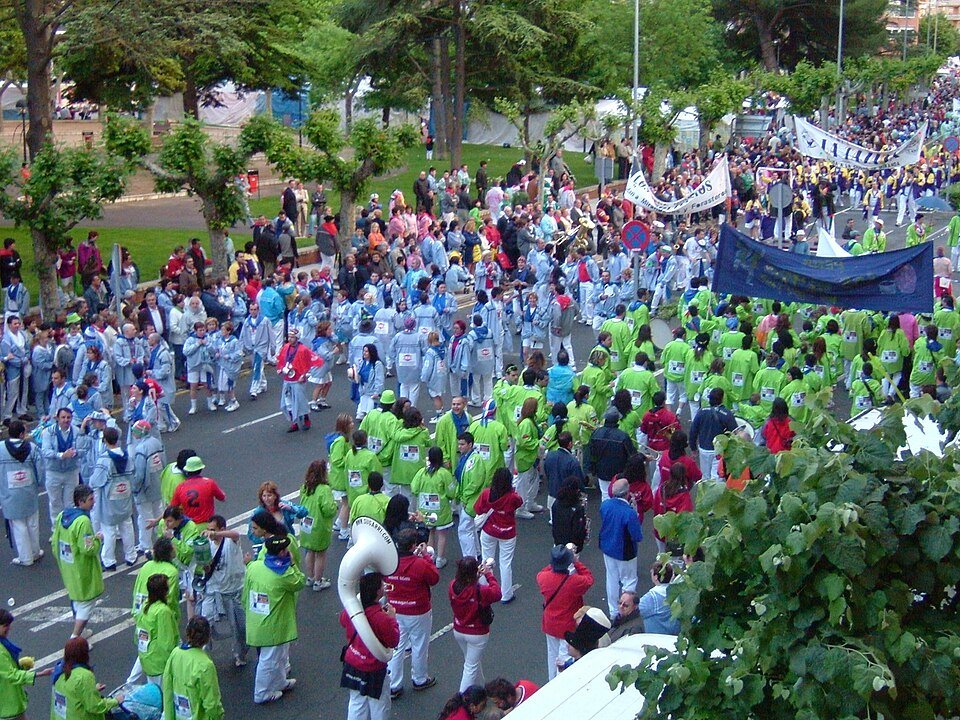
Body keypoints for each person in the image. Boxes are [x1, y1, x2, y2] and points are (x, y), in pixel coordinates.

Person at [243, 534, 306, 704]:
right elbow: (300, 582)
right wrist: (292, 564)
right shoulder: (285, 574)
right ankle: (262, 693)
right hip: (275, 624)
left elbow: (245, 593)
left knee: (279, 655)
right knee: (269, 660)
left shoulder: (254, 567)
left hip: (257, 619)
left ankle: (280, 682)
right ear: (282, 552)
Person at [386, 528, 440, 698]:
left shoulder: (389, 562)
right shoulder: (420, 564)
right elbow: (434, 578)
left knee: (397, 647)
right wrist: (427, 556)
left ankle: (393, 684)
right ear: (413, 546)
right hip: (418, 610)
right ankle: (419, 679)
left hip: (395, 610)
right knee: (419, 646)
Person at [339, 572, 400, 720]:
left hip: (353, 662)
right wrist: (392, 619)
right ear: (377, 592)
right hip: (373, 668)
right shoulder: (381, 618)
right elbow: (393, 641)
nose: (384, 586)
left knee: (356, 703)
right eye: (382, 584)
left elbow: (343, 620)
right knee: (379, 705)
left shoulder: (354, 609)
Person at [52, 485, 103, 640]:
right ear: (81, 502)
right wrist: (98, 540)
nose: (93, 502)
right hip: (82, 568)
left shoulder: (62, 515)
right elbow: (88, 549)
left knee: (75, 599)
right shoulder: (83, 522)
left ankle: (82, 632)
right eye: (90, 499)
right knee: (86, 603)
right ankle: (75, 637)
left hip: (68, 565)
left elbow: (55, 542)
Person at [198, 515, 248, 668]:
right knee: (204, 623)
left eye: (213, 529)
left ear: (222, 529)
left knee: (240, 628)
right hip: (213, 591)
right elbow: (207, 568)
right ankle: (202, 656)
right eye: (208, 529)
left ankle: (240, 654)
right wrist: (206, 566)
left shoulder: (230, 542)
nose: (210, 533)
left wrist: (216, 534)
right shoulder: (207, 545)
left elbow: (236, 534)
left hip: (233, 591)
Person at [537, 545, 594, 681]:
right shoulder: (574, 582)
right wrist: (576, 562)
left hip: (550, 624)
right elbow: (589, 579)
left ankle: (551, 682)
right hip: (568, 627)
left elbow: (545, 570)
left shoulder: (542, 577)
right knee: (564, 660)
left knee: (552, 657)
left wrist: (555, 561)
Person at [449, 557, 501, 692]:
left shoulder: (452, 586)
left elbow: (467, 587)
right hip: (477, 633)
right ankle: (462, 698)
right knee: (470, 667)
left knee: (471, 661)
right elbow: (497, 593)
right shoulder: (480, 590)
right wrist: (489, 575)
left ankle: (480, 688)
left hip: (459, 630)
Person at [89, 426, 137, 570]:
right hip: (125, 497)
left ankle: (109, 561)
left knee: (109, 531)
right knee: (127, 526)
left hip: (109, 501)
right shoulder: (127, 456)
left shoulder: (104, 459)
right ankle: (131, 555)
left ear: (105, 440)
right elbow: (133, 476)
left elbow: (96, 481)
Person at [473, 468, 523, 605]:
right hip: (507, 533)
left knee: (485, 561)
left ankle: (484, 590)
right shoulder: (512, 497)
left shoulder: (486, 493)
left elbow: (477, 509)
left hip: (489, 531)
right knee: (505, 563)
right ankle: (506, 594)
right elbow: (519, 502)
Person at [162, 616, 225, 720]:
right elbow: (211, 703)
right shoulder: (206, 665)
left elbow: (168, 687)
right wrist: (219, 716)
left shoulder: (175, 653)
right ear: (207, 637)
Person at [598, 478, 644, 619]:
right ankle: (626, 610)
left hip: (607, 548)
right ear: (627, 493)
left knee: (611, 578)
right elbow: (637, 536)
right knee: (629, 581)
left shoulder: (605, 505)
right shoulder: (629, 513)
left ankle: (613, 612)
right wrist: (635, 512)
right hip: (625, 552)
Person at [0, 420, 43, 567]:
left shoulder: (1, 448)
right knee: (33, 523)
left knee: (18, 526)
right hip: (29, 491)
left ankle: (25, 557)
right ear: (22, 434)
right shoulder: (32, 448)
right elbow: (40, 469)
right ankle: (35, 552)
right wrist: (39, 483)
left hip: (9, 493)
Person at [0, 607, 53, 720]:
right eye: (5, 625)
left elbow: (4, 669)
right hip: (7, 702)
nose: (9, 628)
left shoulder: (3, 643)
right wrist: (40, 674)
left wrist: (20, 665)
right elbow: (11, 675)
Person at [50, 637, 122, 718]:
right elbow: (94, 706)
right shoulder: (84, 676)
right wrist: (115, 701)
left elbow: (71, 694)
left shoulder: (59, 672)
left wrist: (92, 690)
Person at [411, 446, 456, 569]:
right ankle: (440, 558)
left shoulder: (422, 472)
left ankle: (430, 556)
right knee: (442, 534)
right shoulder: (444, 473)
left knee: (429, 531)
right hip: (441, 510)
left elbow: (414, 488)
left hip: (425, 510)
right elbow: (451, 492)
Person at [298, 460, 337, 591]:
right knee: (320, 553)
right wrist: (335, 507)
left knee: (309, 551)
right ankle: (318, 581)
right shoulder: (324, 489)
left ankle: (310, 577)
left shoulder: (305, 487)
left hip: (306, 524)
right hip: (319, 526)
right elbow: (328, 509)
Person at [134, 574, 179, 686]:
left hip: (147, 658)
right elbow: (167, 643)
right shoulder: (163, 611)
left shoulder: (145, 606)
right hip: (160, 663)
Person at [688, 387, 737, 481]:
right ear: (722, 398)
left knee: (705, 476)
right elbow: (735, 433)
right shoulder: (727, 414)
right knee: (717, 477)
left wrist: (693, 448)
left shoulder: (701, 412)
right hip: (719, 451)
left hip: (703, 449)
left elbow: (693, 431)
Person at [587, 407, 636, 497]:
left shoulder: (596, 433)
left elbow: (592, 453)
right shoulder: (623, 436)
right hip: (619, 472)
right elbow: (632, 455)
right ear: (617, 420)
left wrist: (593, 468)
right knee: (619, 496)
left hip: (601, 471)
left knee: (605, 494)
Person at [169, 456, 226, 525]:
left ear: (187, 471)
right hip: (207, 525)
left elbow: (172, 507)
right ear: (201, 469)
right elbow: (222, 498)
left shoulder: (180, 487)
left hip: (190, 526)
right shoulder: (209, 483)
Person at [544, 431, 585, 516]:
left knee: (553, 521)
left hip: (552, 495)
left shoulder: (550, 455)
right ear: (570, 444)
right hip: (567, 500)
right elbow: (578, 481)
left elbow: (547, 472)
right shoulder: (573, 461)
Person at [638, 561, 680, 635]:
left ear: (656, 577)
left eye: (652, 572)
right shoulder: (678, 593)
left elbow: (635, 611)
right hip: (674, 635)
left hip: (656, 637)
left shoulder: (651, 598)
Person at [551, 478, 588, 552]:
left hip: (558, 541)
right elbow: (578, 530)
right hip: (573, 545)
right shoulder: (578, 508)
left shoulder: (556, 503)